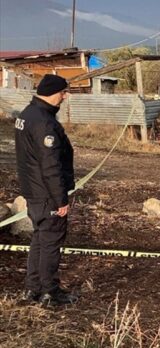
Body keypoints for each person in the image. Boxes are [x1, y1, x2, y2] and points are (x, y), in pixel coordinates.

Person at [14, 74, 77, 306]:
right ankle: (50, 292)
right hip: (46, 195)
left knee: (40, 240)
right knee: (51, 242)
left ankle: (33, 289)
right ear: (52, 92)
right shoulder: (44, 122)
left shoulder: (27, 115)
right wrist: (61, 200)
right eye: (63, 92)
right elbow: (50, 165)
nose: (65, 96)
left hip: (33, 191)